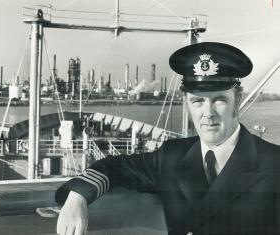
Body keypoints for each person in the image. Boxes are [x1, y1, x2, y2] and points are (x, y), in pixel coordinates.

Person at [55, 42, 280, 235]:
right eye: (198, 101)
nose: (208, 113)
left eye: (219, 100)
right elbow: (114, 167)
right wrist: (77, 197)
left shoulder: (274, 164)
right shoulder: (172, 156)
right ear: (187, 104)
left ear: (237, 100)